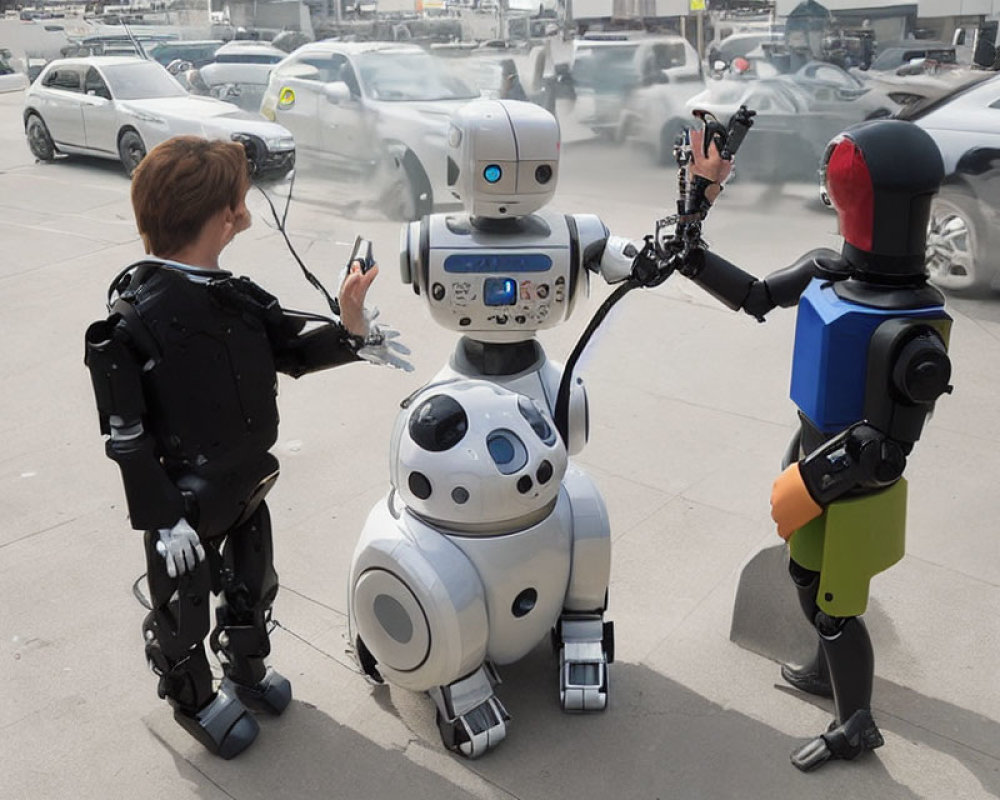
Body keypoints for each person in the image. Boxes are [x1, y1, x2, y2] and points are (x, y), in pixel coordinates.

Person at [84, 135, 409, 759]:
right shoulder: (131, 323)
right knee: (183, 610)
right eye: (237, 199)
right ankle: (195, 698)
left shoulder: (234, 294)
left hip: (246, 486)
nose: (245, 209)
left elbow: (291, 350)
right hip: (183, 504)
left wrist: (350, 331)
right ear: (220, 213)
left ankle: (245, 669)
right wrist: (162, 518)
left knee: (253, 585)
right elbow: (125, 438)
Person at [680, 119, 952, 771]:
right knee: (806, 575)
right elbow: (752, 295)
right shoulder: (830, 272)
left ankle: (855, 723)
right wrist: (692, 234)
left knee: (836, 603)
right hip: (812, 456)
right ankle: (824, 667)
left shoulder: (911, 324)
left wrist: (810, 482)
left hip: (849, 484)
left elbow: (886, 448)